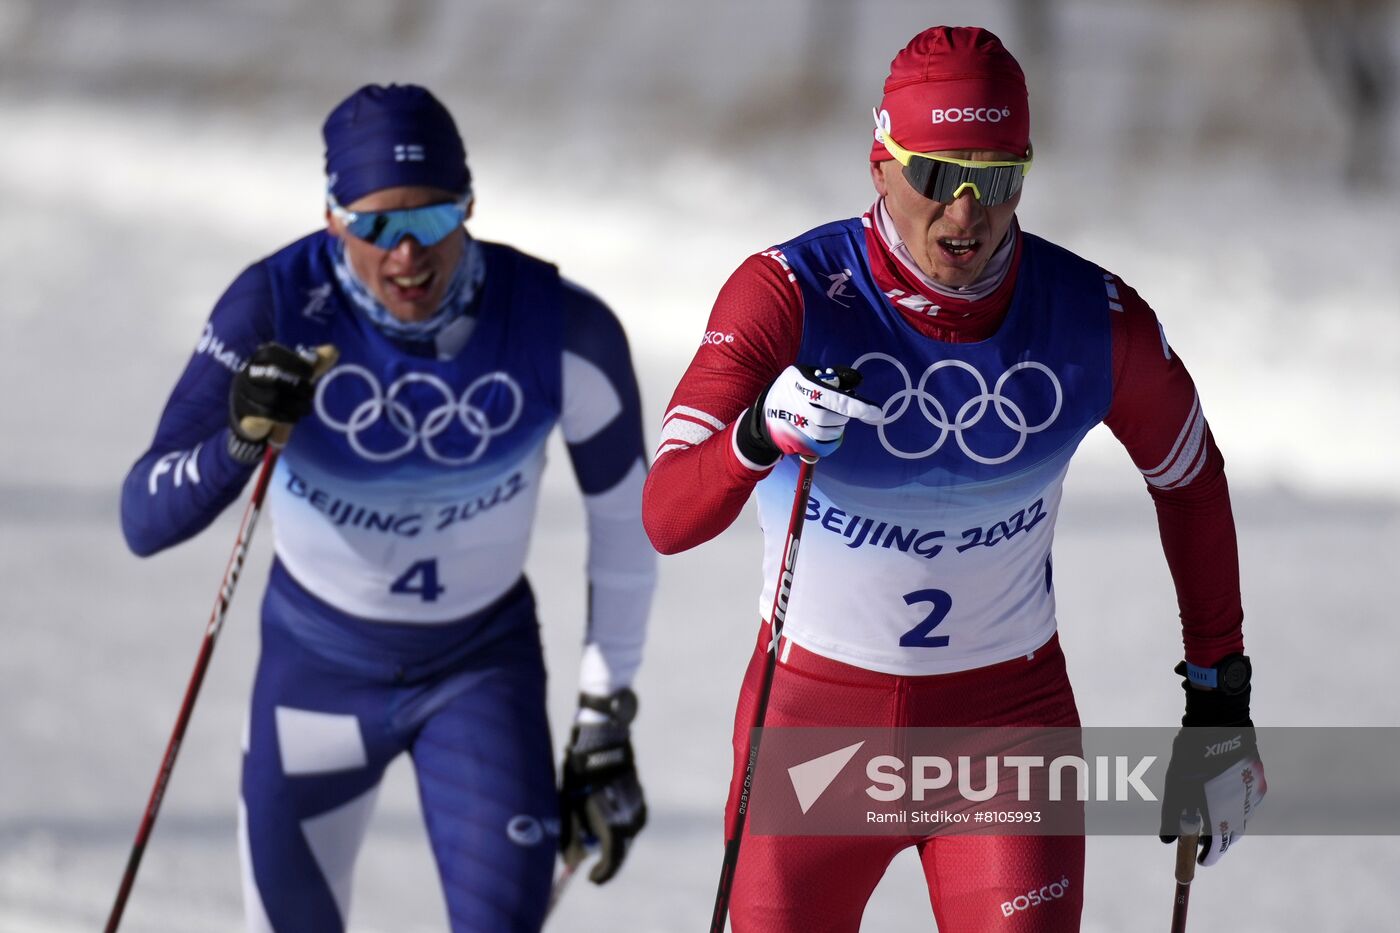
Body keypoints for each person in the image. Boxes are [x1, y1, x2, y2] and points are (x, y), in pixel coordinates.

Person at [642, 26, 1264, 932]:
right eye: (936, 173)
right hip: (814, 725)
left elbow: (1192, 482)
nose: (966, 212)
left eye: (998, 177)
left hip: (1004, 727)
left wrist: (1221, 696)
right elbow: (666, 515)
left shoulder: (1095, 319)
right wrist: (754, 436)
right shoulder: (788, 294)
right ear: (880, 164)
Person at [121, 83, 655, 932]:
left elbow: (632, 522)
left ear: (470, 205)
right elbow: (142, 518)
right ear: (333, 218)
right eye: (374, 225)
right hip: (319, 672)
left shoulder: (562, 327)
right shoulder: (273, 306)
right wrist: (240, 439)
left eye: (434, 219)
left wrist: (604, 715)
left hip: (478, 675)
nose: (407, 251)